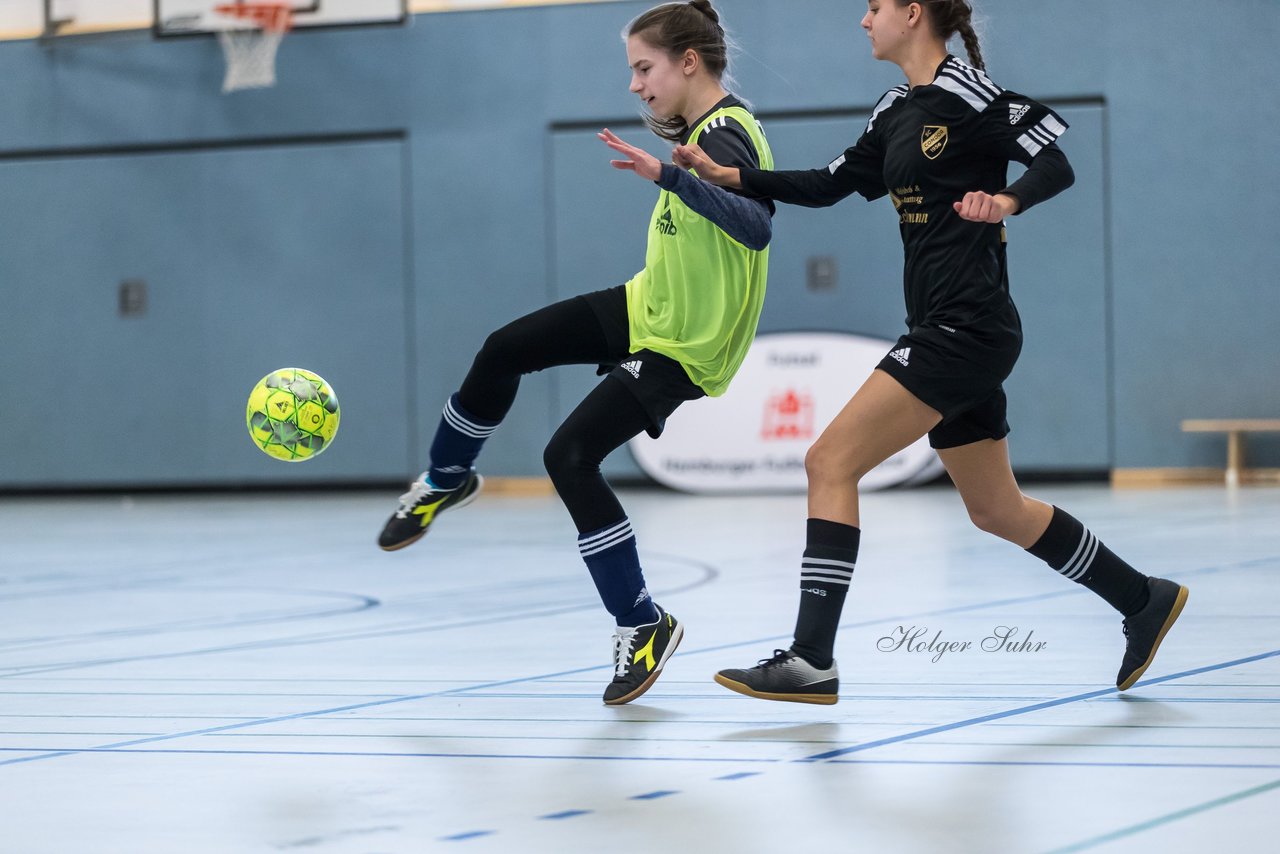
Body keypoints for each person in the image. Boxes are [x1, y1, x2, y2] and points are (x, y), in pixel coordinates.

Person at [674, 0, 1187, 704]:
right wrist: (737, 179)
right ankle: (1143, 599)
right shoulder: (893, 110)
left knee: (828, 461)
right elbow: (831, 186)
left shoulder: (970, 94)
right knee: (997, 509)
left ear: (913, 13)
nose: (863, 20)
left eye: (875, 6)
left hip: (964, 329)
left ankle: (811, 658)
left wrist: (1007, 204)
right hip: (947, 328)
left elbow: (1055, 160)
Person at [377, 0, 775, 706]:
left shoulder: (728, 132)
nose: (634, 84)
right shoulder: (700, 131)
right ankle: (445, 478)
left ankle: (642, 622)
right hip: (649, 305)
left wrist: (673, 177)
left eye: (642, 67)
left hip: (686, 344)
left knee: (568, 457)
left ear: (688, 62)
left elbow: (756, 226)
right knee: (504, 349)